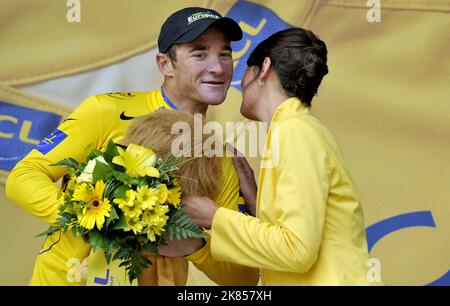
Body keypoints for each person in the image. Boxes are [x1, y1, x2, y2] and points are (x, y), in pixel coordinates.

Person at [5, 7, 259, 286]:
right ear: (165, 64)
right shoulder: (107, 109)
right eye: (200, 53)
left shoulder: (220, 157)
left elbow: (243, 279)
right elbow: (23, 176)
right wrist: (100, 220)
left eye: (224, 54)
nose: (218, 67)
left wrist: (195, 247)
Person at [181, 28, 377, 285]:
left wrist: (214, 217)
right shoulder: (297, 129)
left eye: (244, 71)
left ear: (263, 68)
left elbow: (296, 251)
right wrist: (254, 202)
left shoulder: (295, 131)